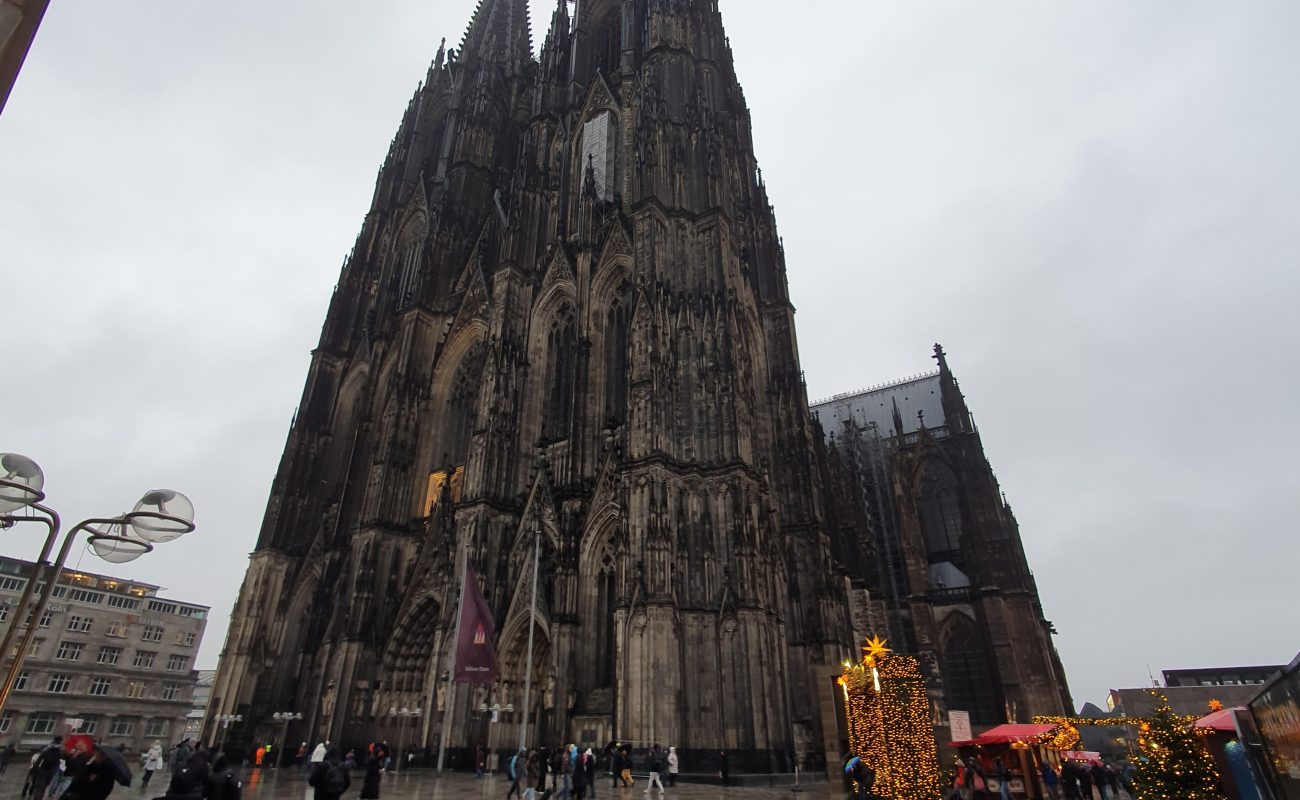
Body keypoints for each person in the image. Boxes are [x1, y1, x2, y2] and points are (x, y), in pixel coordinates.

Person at [60, 735, 118, 800]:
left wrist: (87, 778)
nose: (95, 754)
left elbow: (81, 782)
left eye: (97, 753)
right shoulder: (93, 766)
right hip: (73, 790)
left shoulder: (103, 772)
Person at [26, 735, 63, 800]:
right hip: (51, 771)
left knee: (39, 786)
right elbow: (62, 759)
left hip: (43, 769)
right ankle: (40, 797)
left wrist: (35, 768)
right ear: (61, 741)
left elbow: (40, 757)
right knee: (44, 787)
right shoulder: (61, 750)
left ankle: (36, 798)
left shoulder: (48, 747)